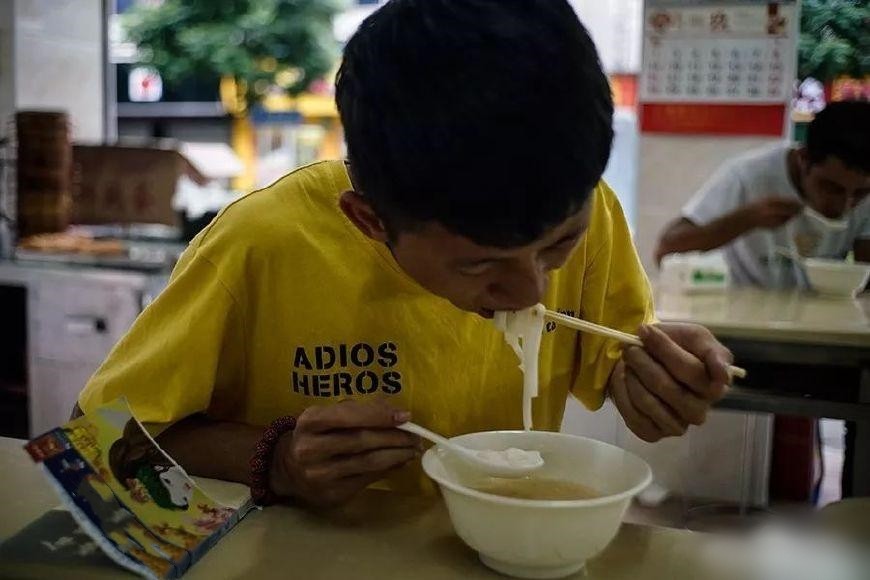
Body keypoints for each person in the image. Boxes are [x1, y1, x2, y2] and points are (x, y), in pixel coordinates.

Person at [75, 0, 733, 508]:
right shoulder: (262, 244)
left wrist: (655, 385)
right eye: (479, 265)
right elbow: (97, 441)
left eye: (557, 246)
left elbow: (617, 363)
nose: (533, 292)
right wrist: (273, 461)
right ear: (368, 221)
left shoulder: (587, 213)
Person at [656, 101, 870, 287]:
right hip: (744, 320)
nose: (845, 205)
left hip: (825, 324)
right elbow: (666, 249)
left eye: (860, 193)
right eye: (831, 188)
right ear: (803, 159)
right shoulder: (749, 175)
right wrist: (746, 219)